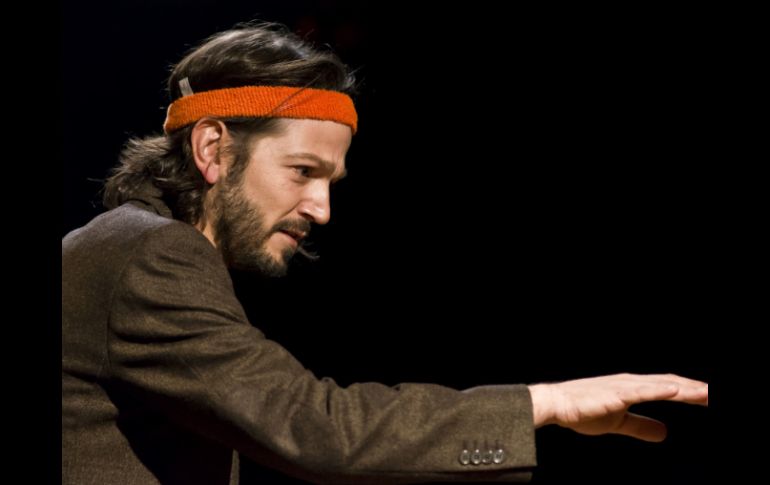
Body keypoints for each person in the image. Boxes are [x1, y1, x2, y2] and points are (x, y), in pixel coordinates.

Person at [61, 22, 708, 485]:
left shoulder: (125, 244)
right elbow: (315, 427)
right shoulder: (155, 255)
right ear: (213, 149)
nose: (322, 209)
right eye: (302, 171)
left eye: (331, 182)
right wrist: (548, 403)